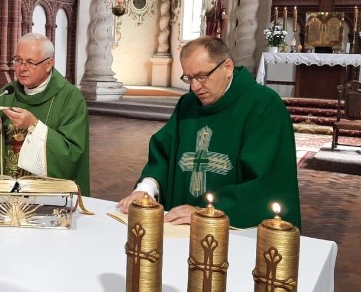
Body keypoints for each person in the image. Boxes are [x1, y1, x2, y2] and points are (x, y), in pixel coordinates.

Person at [116, 37, 300, 228]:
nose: (194, 87)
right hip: (179, 226)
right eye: (189, 78)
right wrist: (146, 189)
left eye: (202, 76)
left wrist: (209, 212)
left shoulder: (264, 105)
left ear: (227, 68)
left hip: (233, 233)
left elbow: (267, 182)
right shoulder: (188, 104)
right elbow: (164, 154)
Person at [0, 33, 90, 196]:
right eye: (18, 60)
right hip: (5, 193)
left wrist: (34, 126)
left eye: (30, 62)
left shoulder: (70, 98)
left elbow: (72, 153)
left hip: (47, 198)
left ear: (49, 64)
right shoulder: (8, 92)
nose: (22, 68)